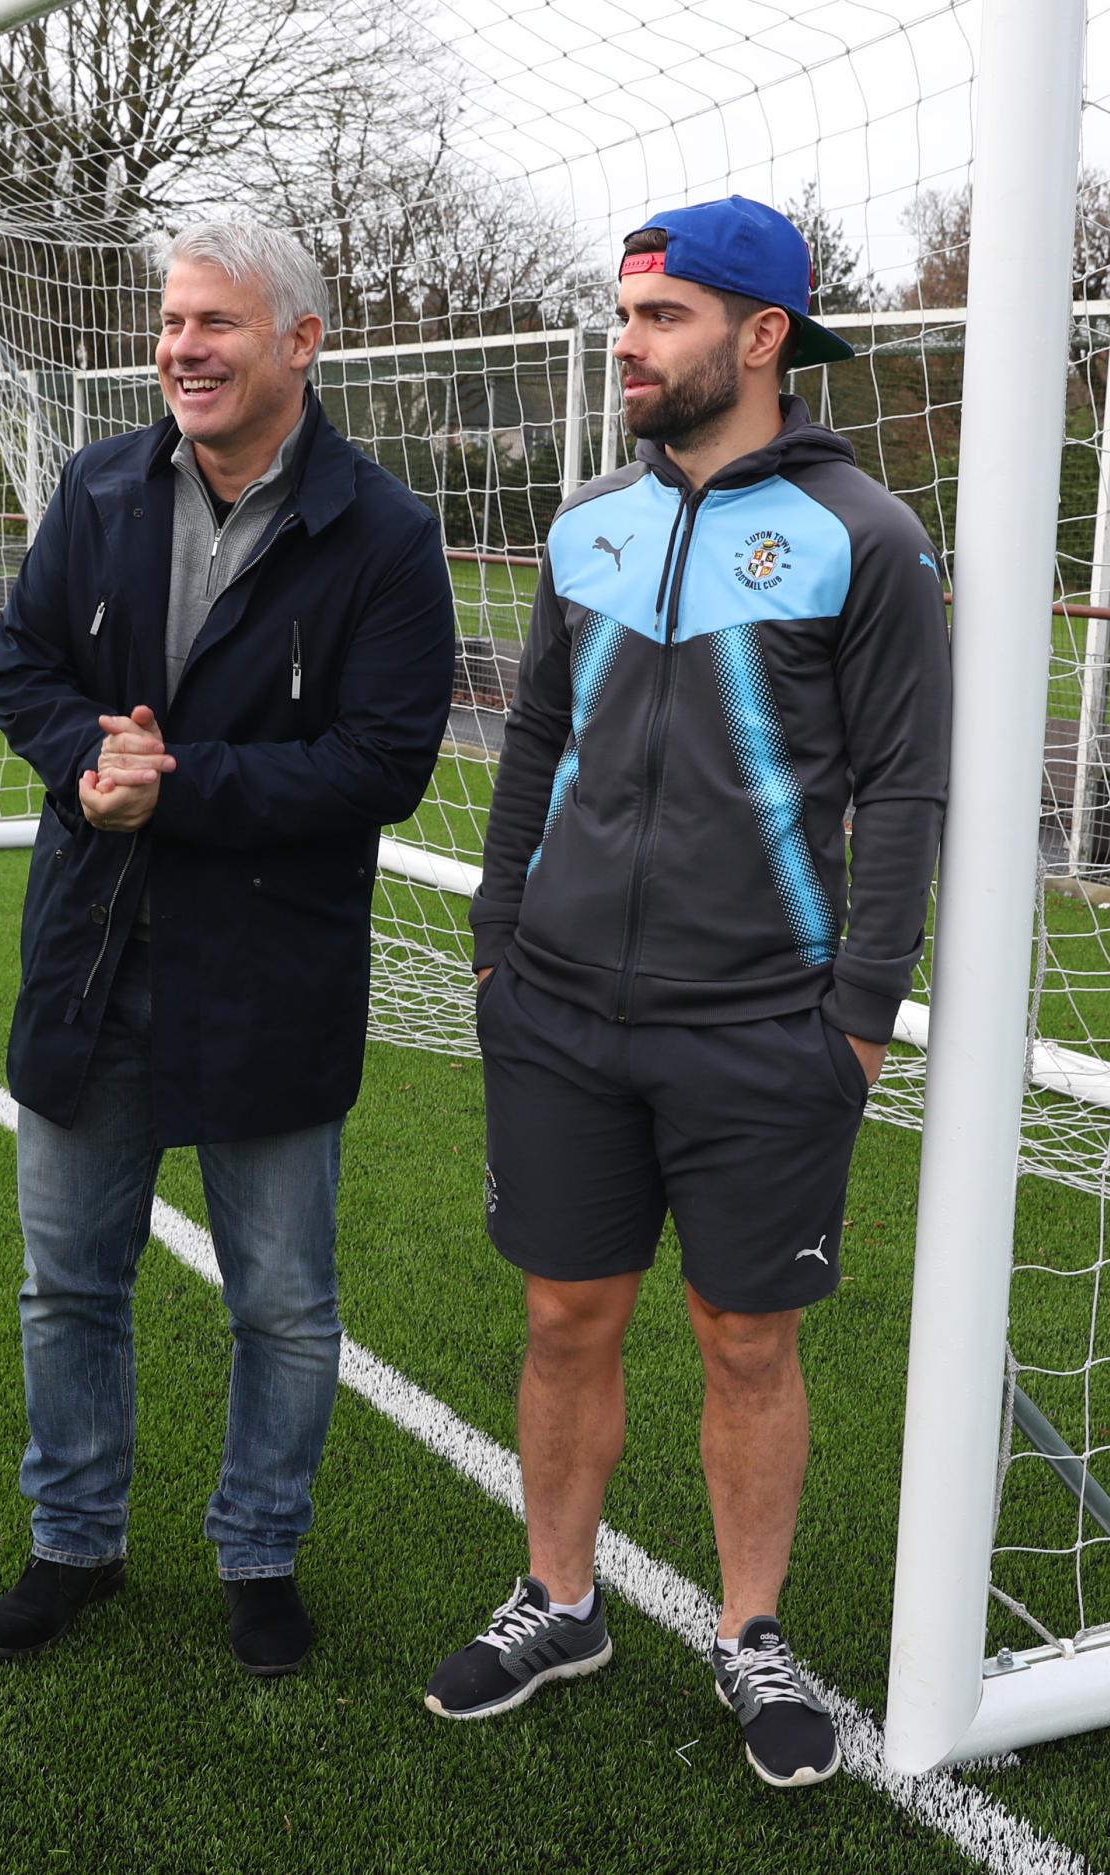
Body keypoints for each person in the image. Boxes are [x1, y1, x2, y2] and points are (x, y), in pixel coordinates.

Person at [423, 197, 951, 1789]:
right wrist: (498, 944)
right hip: (561, 1008)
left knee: (745, 1341)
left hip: (762, 1025)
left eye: (661, 318)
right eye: (626, 313)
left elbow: (909, 792)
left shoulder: (869, 534)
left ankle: (751, 1632)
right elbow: (529, 742)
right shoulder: (589, 522)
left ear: (763, 337)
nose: (628, 343)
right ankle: (558, 1599)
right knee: (565, 1312)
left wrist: (858, 1017)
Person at [0, 218, 457, 1677]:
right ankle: (75, 1539)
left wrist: (175, 783)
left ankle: (260, 1552)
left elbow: (384, 764)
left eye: (217, 325)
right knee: (69, 1284)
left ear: (300, 342)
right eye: (174, 322)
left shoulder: (382, 531)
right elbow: (26, 671)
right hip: (93, 958)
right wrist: (82, 768)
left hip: (269, 978)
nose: (182, 347)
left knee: (286, 1305)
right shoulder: (99, 485)